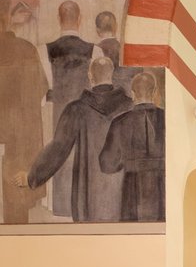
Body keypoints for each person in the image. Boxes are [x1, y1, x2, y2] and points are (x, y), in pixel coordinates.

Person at [20, 57, 132, 222]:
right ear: (111, 74)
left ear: (90, 76)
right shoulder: (130, 106)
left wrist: (32, 177)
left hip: (87, 199)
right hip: (123, 196)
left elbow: (58, 149)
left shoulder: (76, 108)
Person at [43, 0, 104, 216]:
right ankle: (80, 206)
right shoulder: (94, 50)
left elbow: (47, 87)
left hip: (58, 111)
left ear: (59, 19)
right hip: (85, 113)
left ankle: (58, 206)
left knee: (59, 149)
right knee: (82, 154)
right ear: (79, 20)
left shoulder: (45, 50)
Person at [0, 0, 47, 224]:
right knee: (16, 211)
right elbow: (40, 89)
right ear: (8, 17)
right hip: (18, 137)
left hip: (12, 136)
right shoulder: (26, 49)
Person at [100, 71, 165, 222]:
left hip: (132, 191)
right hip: (163, 190)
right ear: (155, 92)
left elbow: (107, 165)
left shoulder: (119, 122)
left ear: (133, 93)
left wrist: (126, 160)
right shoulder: (167, 119)